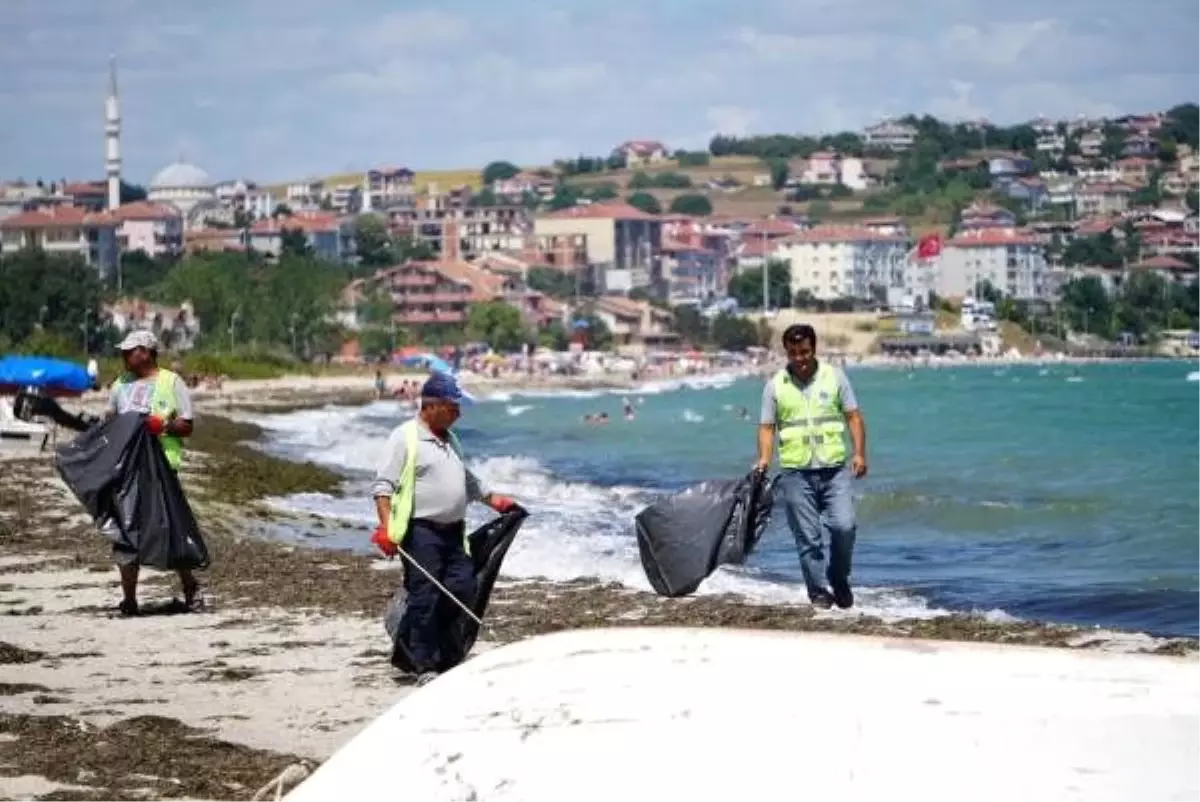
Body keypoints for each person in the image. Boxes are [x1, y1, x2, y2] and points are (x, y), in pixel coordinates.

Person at [370, 372, 516, 684]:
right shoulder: (404, 437)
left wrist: (494, 499)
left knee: (463, 589)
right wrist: (386, 530)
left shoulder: (451, 440)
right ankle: (425, 666)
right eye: (453, 407)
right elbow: (383, 488)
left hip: (453, 532)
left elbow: (464, 478)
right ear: (432, 406)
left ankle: (413, 632)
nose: (458, 413)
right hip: (420, 532)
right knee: (426, 598)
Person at [755, 324, 867, 610]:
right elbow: (767, 428)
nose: (799, 358)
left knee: (845, 526)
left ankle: (839, 578)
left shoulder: (834, 377)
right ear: (786, 353)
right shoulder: (776, 385)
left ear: (814, 349)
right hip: (795, 472)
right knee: (808, 537)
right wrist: (765, 459)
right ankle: (818, 591)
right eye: (793, 353)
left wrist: (859, 454)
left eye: (804, 351)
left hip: (834, 469)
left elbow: (853, 417)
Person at [106, 330, 199, 616]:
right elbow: (110, 423)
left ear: (146, 352)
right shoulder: (119, 385)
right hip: (126, 470)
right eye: (123, 351)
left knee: (169, 528)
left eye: (130, 351)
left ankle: (189, 586)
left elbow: (187, 425)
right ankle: (130, 599)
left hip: (162, 470)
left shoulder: (172, 382)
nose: (124, 356)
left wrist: (164, 427)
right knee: (125, 531)